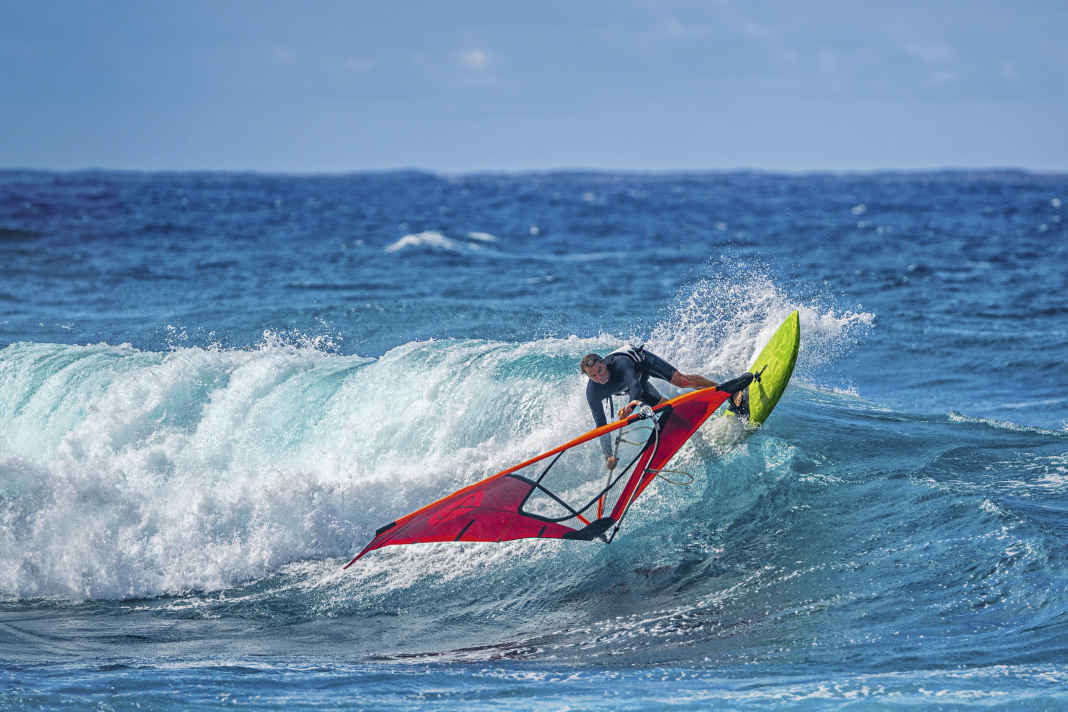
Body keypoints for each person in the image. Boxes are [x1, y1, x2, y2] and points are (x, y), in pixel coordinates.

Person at [580, 346, 717, 469]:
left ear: (604, 363)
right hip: (637, 385)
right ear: (588, 377)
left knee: (681, 381)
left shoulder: (620, 363)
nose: (599, 376)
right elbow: (601, 426)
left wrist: (629, 407)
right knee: (669, 414)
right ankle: (699, 440)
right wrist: (608, 455)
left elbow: (634, 386)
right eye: (593, 376)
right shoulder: (593, 392)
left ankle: (719, 388)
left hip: (643, 364)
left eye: (600, 370)